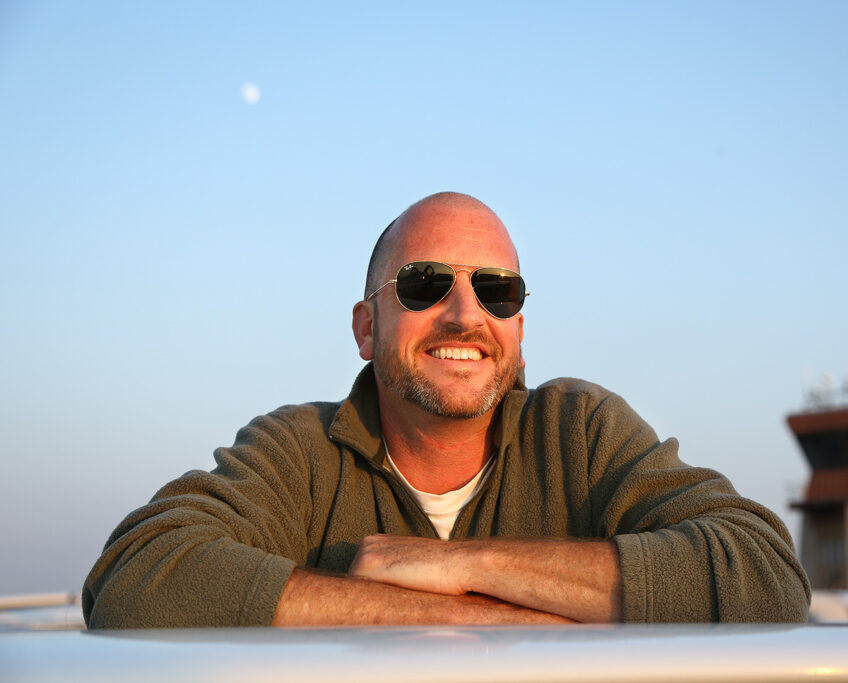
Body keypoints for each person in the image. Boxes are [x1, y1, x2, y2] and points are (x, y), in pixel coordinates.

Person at [83, 192, 810, 627]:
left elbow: (765, 573)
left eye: (498, 291)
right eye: (425, 283)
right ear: (367, 327)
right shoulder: (299, 451)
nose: (465, 314)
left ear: (518, 330)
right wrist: (472, 619)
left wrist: (455, 563)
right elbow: (138, 576)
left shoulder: (582, 432)